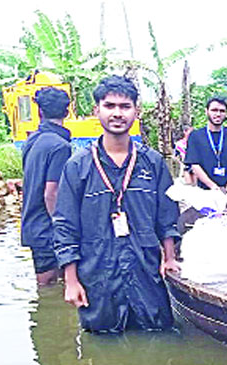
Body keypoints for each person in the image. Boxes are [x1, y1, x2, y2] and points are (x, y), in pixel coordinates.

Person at [53, 75, 180, 333]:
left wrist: (169, 258)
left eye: (125, 106)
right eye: (110, 106)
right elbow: (65, 225)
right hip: (98, 277)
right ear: (96, 110)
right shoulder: (78, 166)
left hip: (146, 274)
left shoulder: (152, 163)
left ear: (136, 111)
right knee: (102, 348)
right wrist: (71, 280)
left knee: (157, 339)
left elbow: (167, 216)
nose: (117, 113)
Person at [21, 87, 72, 287]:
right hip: (47, 229)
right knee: (53, 286)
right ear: (67, 112)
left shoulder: (32, 140)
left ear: (40, 111)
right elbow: (52, 193)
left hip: (32, 224)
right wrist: (63, 228)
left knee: (45, 287)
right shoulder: (60, 146)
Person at [183, 97, 227, 192]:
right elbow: (194, 164)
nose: (218, 114)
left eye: (222, 111)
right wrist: (212, 186)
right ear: (206, 111)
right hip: (205, 190)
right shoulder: (195, 136)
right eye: (214, 110)